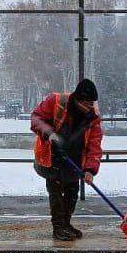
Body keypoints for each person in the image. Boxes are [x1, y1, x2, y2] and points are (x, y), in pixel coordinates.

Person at [30, 79, 103, 240]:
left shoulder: (92, 117)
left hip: (75, 159)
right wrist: (49, 134)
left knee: (72, 192)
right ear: (77, 99)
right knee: (55, 192)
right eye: (86, 103)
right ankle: (58, 227)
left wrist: (90, 169)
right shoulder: (57, 102)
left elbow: (94, 144)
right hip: (52, 155)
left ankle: (66, 224)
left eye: (92, 103)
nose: (90, 107)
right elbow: (36, 119)